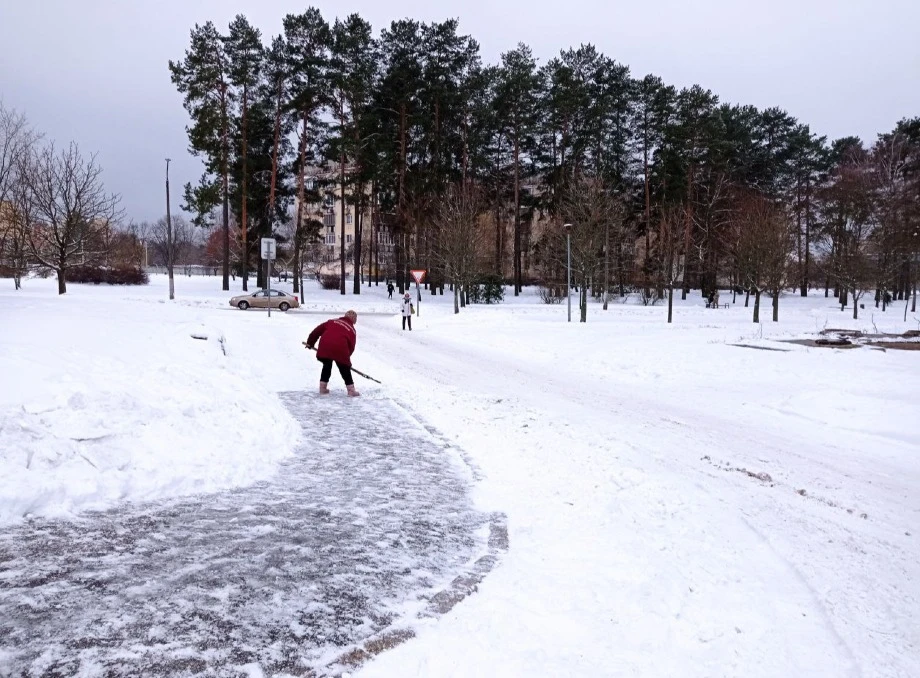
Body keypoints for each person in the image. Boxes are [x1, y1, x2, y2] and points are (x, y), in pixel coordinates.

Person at [305, 310, 360, 396]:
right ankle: (351, 391)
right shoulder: (352, 330)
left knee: (327, 365)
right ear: (354, 319)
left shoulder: (332, 321)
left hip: (324, 346)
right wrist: (345, 359)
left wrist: (310, 343)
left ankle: (322, 388)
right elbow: (351, 346)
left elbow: (316, 331)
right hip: (340, 349)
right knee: (344, 369)